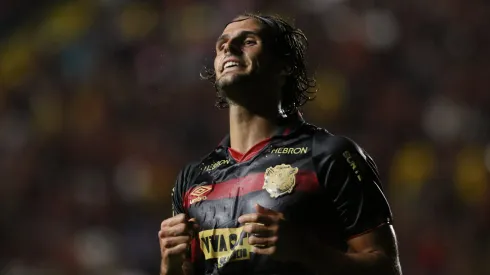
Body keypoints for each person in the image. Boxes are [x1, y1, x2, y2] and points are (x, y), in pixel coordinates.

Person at [158, 13, 402, 275]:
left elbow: (387, 268)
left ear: (284, 65)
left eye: (248, 41)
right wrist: (168, 264)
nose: (229, 47)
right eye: (222, 45)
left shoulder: (329, 156)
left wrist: (305, 250)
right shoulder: (192, 179)